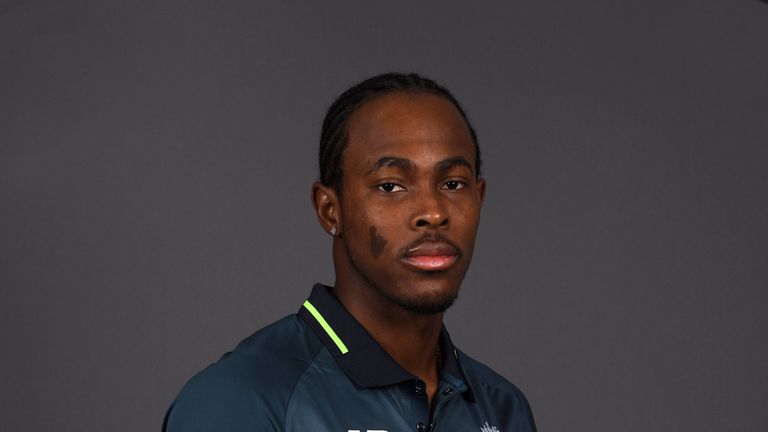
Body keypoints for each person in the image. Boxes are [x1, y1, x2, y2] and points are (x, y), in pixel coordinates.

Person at [163, 73, 537, 432]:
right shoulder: (239, 400)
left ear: (479, 198)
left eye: (453, 183)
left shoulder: (503, 408)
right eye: (391, 186)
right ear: (331, 210)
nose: (433, 212)